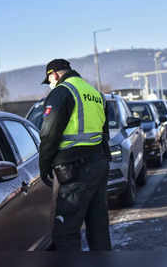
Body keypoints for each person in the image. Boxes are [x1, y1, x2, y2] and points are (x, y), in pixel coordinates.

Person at [39, 58, 112, 251]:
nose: (50, 85)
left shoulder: (62, 92)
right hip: (98, 163)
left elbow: (49, 133)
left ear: (53, 74)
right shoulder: (95, 94)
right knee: (98, 227)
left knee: (65, 232)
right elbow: (104, 134)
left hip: (74, 168)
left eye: (50, 81)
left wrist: (44, 165)